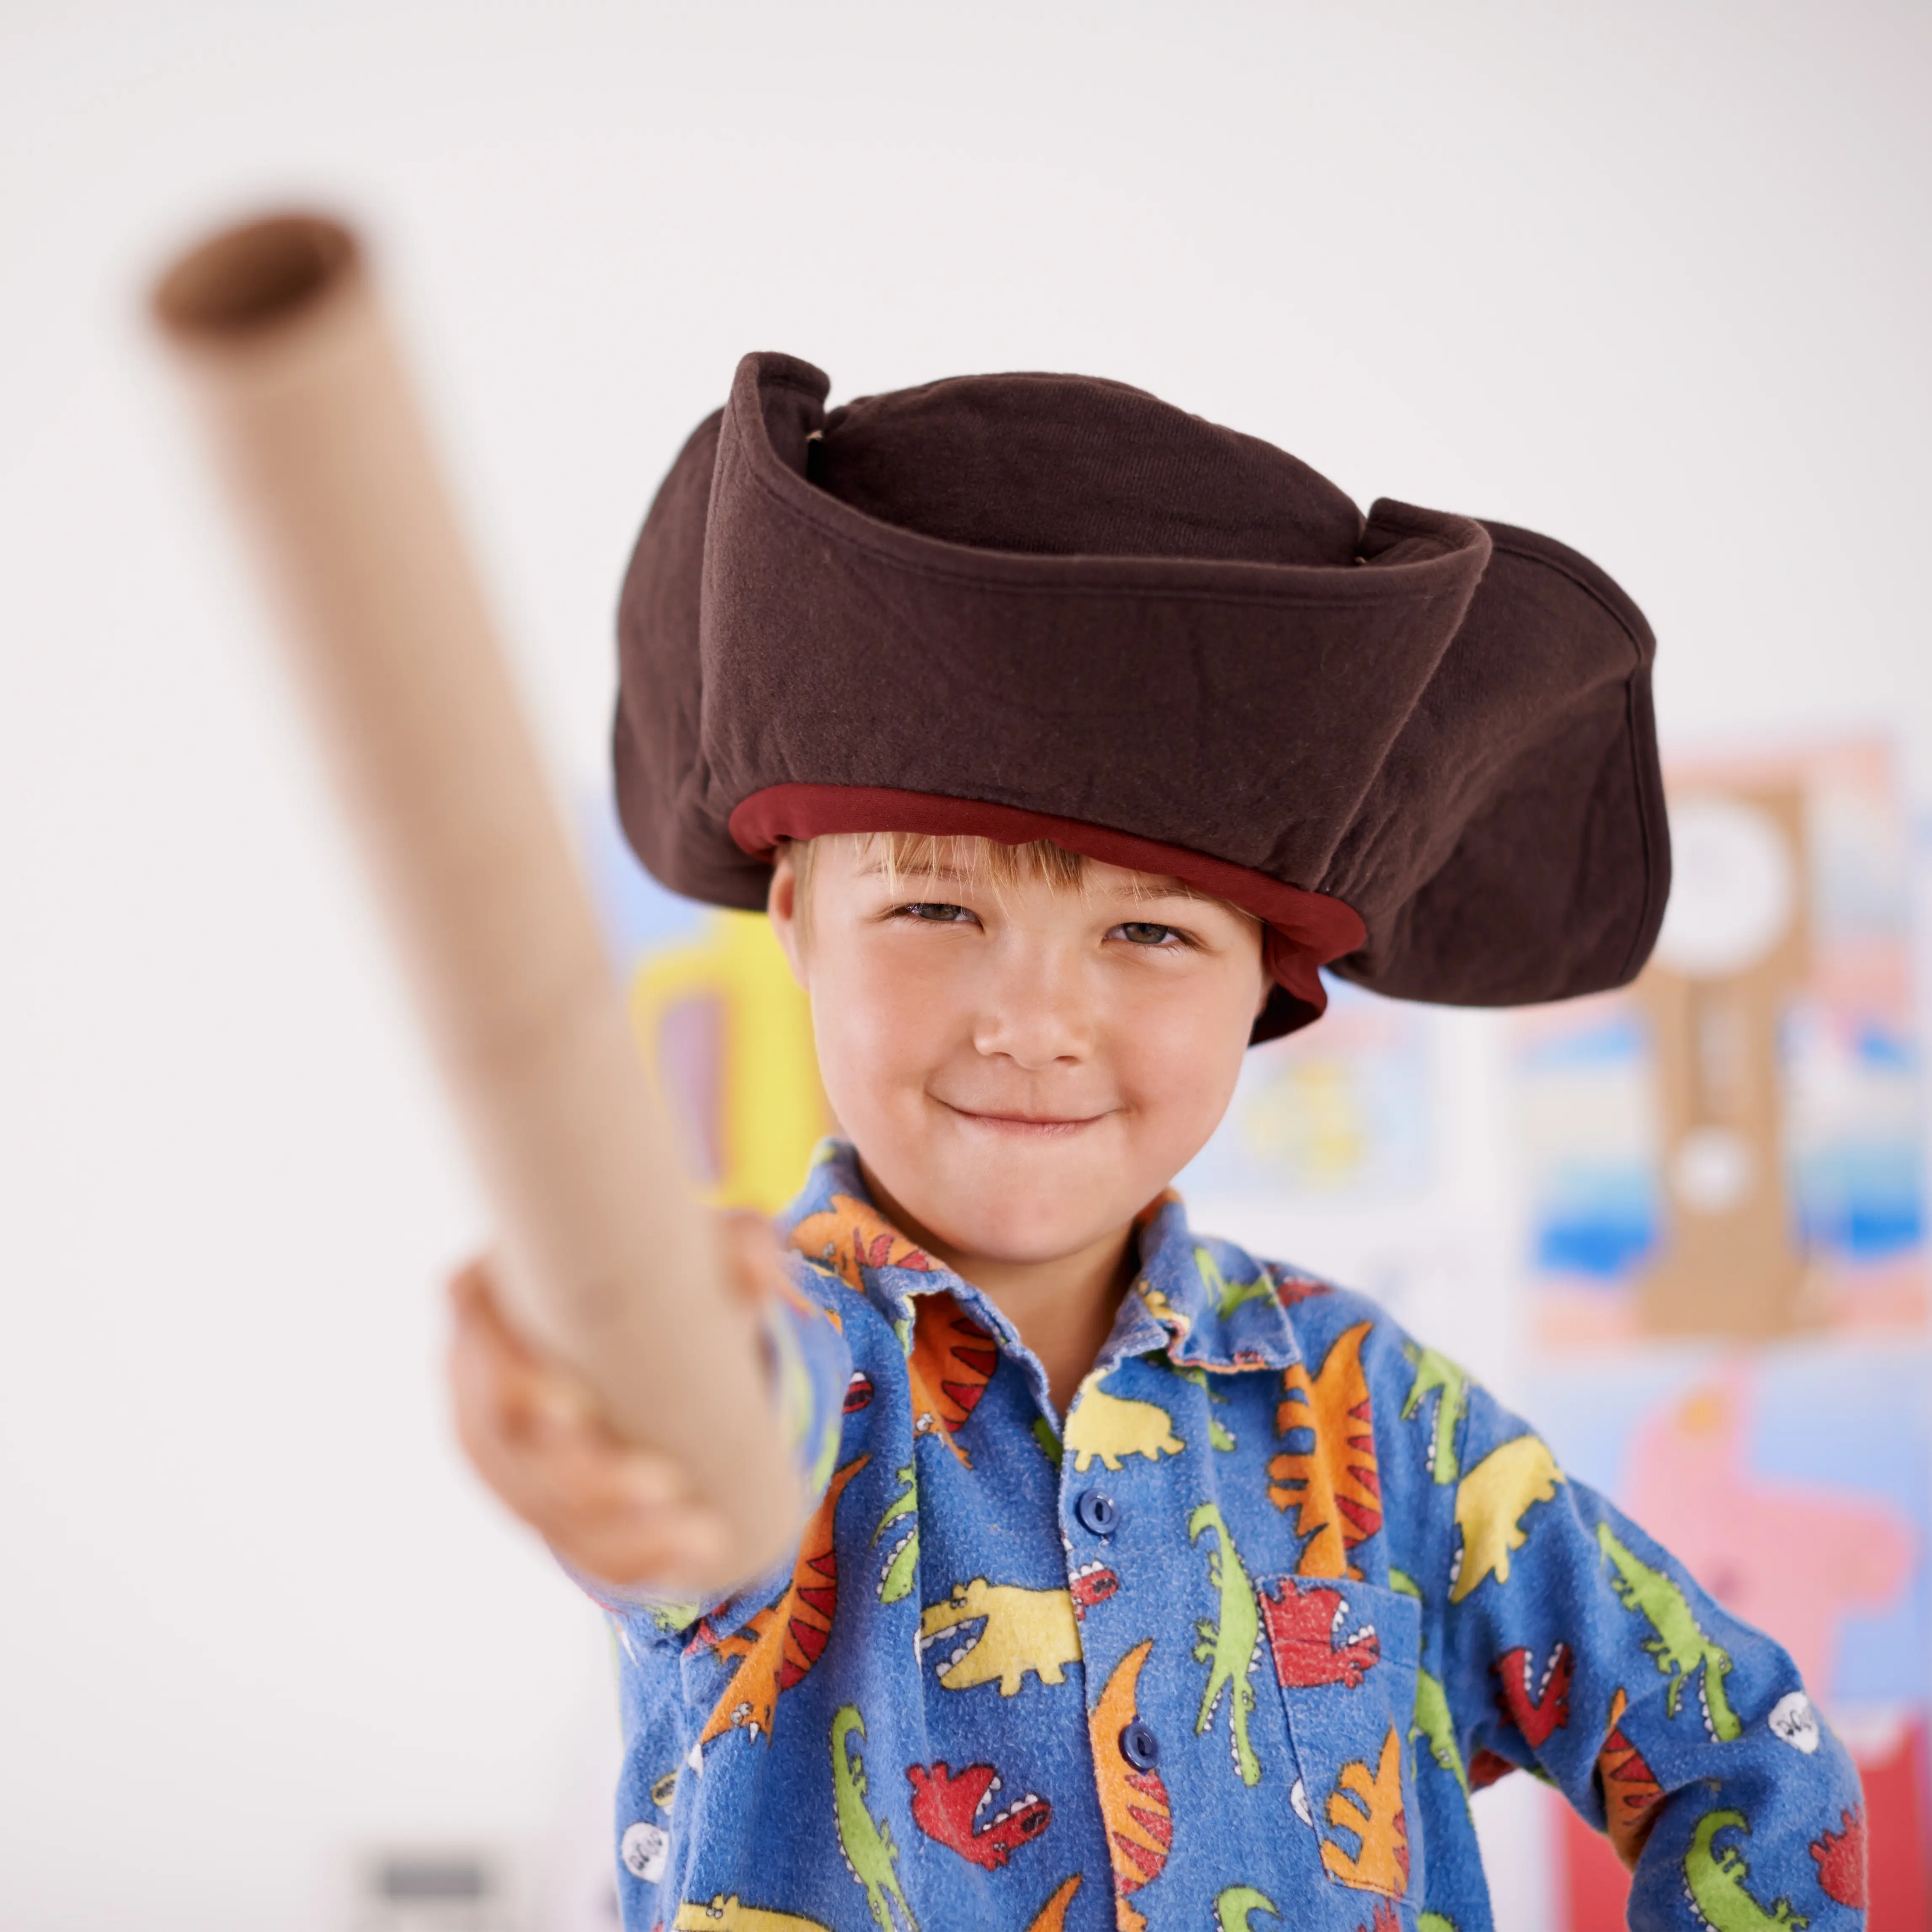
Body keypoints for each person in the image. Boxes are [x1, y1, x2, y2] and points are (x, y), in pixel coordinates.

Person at [448, 355, 1864, 1931]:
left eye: (1147, 932)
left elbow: (1749, 1753)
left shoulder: (1372, 1416)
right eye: (934, 907)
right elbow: (695, 1458)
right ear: (797, 922)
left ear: (1265, 982)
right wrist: (608, 1411)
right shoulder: (783, 1365)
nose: (1038, 1020)